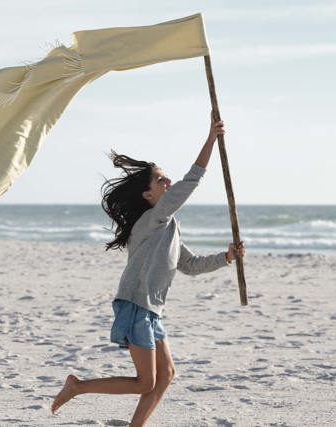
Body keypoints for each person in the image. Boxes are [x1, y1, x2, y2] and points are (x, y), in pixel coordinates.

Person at [51, 114, 246, 426]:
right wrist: (210, 139)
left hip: (151, 311)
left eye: (166, 178)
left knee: (166, 375)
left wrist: (226, 257)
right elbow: (191, 181)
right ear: (148, 196)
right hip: (135, 305)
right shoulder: (151, 219)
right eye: (161, 180)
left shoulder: (168, 225)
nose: (168, 182)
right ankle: (77, 387)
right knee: (145, 382)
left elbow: (190, 265)